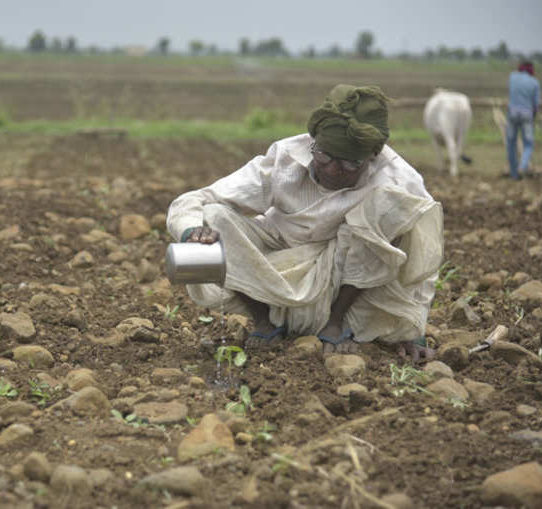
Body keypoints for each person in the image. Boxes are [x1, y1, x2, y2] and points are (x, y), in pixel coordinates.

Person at [166, 85, 443, 361]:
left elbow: (422, 260)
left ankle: (335, 323)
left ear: (371, 156)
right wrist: (192, 230)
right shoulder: (286, 156)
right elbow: (198, 199)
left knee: (386, 210)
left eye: (348, 164)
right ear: (313, 143)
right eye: (323, 156)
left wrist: (413, 328)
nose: (332, 169)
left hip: (346, 284)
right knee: (215, 215)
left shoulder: (399, 180)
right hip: (275, 268)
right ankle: (265, 323)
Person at [506, 61, 541, 180]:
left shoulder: (512, 77)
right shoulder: (534, 82)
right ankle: (523, 166)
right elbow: (536, 104)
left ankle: (514, 174)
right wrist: (534, 115)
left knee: (511, 144)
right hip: (527, 114)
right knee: (529, 143)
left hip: (512, 113)